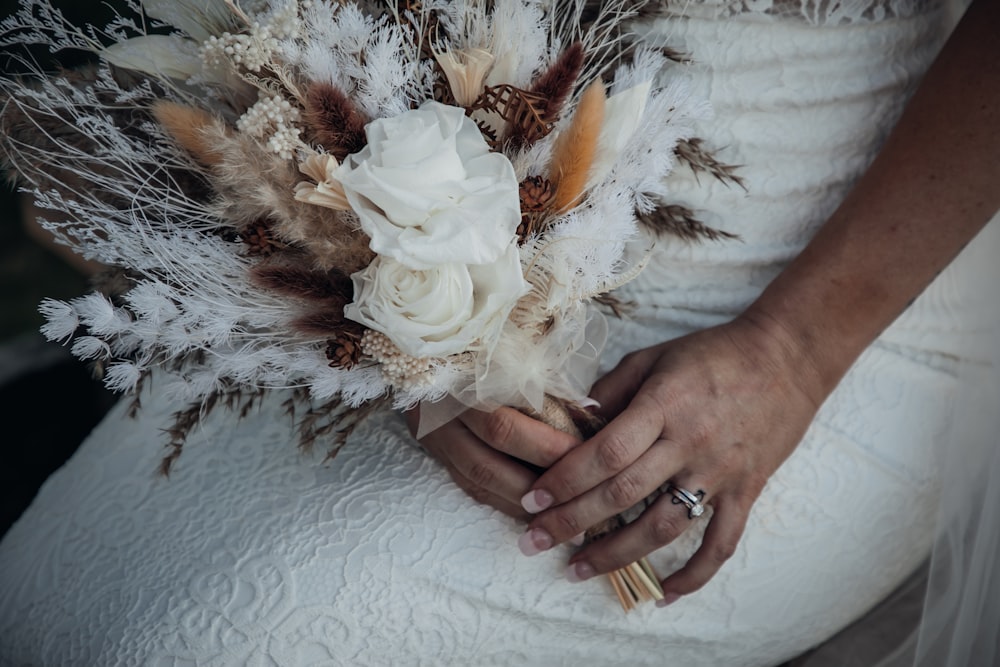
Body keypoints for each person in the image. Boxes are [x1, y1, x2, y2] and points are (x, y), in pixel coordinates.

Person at [0, 0, 997, 665]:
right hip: (476, 207)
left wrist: (792, 352)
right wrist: (402, 310)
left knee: (221, 642)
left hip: (827, 310)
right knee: (49, 586)